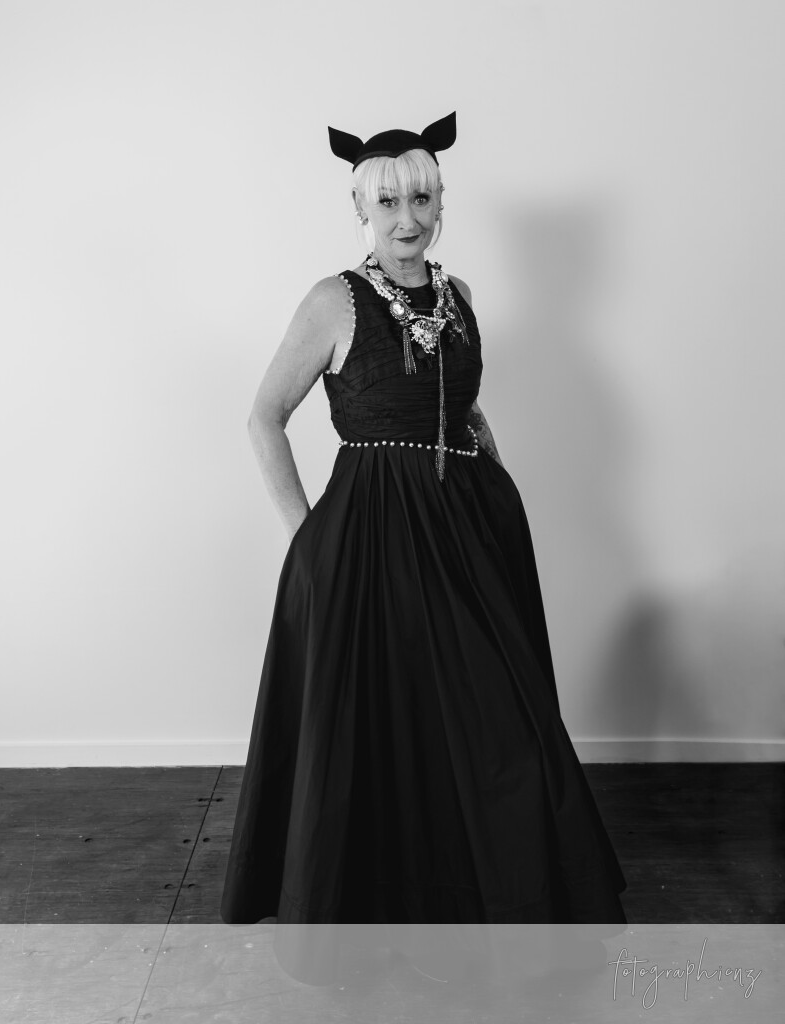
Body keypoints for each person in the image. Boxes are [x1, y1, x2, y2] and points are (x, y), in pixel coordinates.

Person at [220, 112, 628, 933]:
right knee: (386, 723)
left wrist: (496, 487)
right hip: (372, 537)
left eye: (421, 198)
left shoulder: (458, 295)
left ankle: (501, 896)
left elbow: (461, 405)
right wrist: (307, 539)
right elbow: (264, 417)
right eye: (388, 202)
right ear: (361, 209)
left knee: (499, 719)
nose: (407, 218)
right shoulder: (332, 301)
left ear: (441, 202)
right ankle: (385, 903)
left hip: (468, 531)